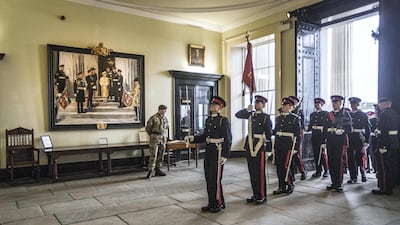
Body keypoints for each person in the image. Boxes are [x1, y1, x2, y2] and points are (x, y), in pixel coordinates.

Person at [185, 96, 232, 213]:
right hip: (209, 151)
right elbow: (205, 136)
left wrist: (225, 155)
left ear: (220, 108)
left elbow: (228, 139)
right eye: (211, 104)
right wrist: (193, 138)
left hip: (218, 151)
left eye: (215, 105)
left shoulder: (223, 120)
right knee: (208, 178)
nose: (212, 106)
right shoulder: (209, 120)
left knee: (216, 179)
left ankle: (218, 203)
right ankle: (211, 202)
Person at [235, 95, 272, 205]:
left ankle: (261, 195)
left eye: (259, 103)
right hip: (249, 145)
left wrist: (269, 150)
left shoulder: (266, 117)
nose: (256, 105)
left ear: (263, 105)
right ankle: (255, 193)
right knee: (252, 172)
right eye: (255, 103)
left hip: (259, 147)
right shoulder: (251, 115)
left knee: (259, 173)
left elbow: (269, 134)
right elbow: (238, 115)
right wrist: (247, 109)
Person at [324, 95, 352, 192]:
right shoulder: (328, 115)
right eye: (333, 102)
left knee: (339, 161)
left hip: (340, 141)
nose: (334, 104)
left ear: (340, 103)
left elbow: (349, 128)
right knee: (331, 161)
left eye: (336, 102)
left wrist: (342, 131)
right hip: (330, 140)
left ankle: (339, 183)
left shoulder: (345, 114)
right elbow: (325, 128)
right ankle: (333, 182)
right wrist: (324, 140)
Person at [273, 97, 301, 195]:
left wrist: (296, 148)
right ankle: (281, 186)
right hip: (278, 143)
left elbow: (298, 135)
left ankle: (290, 184)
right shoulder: (278, 118)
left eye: (287, 105)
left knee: (285, 166)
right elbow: (275, 131)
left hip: (288, 145)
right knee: (278, 166)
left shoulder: (294, 118)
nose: (284, 107)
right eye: (284, 105)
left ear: (291, 107)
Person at [372, 97, 399, 195]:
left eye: (380, 103)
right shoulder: (395, 113)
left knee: (384, 167)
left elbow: (384, 132)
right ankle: (390, 185)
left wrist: (382, 146)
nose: (379, 105)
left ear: (385, 104)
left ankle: (385, 188)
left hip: (385, 144)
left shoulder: (384, 114)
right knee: (391, 166)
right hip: (394, 143)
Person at [347, 97, 371, 184]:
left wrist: (367, 141)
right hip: (350, 137)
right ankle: (353, 176)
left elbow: (368, 128)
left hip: (359, 137)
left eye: (354, 103)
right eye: (351, 103)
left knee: (360, 156)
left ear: (357, 104)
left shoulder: (363, 114)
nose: (352, 105)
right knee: (350, 157)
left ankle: (363, 173)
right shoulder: (347, 114)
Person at [145, 104, 169, 178]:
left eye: (165, 110)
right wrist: (153, 135)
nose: (164, 111)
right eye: (163, 109)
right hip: (155, 138)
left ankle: (158, 169)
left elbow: (166, 128)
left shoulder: (165, 118)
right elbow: (148, 128)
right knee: (153, 155)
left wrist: (165, 137)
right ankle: (150, 171)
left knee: (160, 155)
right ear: (159, 109)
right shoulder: (153, 118)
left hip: (162, 138)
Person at [308, 97, 329, 178]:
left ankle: (326, 169)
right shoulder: (312, 115)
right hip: (314, 134)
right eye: (315, 104)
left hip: (321, 134)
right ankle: (318, 170)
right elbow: (310, 125)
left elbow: (326, 126)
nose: (316, 105)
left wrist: (325, 137)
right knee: (316, 153)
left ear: (322, 104)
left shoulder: (325, 114)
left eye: (318, 103)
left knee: (322, 153)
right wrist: (308, 128)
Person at [288, 96, 307, 180]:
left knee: (297, 155)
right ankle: (292, 174)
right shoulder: (288, 112)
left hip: (296, 136)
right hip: (288, 137)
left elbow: (302, 125)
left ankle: (303, 171)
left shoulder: (299, 112)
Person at [366, 108, 378, 173]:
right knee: (372, 153)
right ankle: (375, 168)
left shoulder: (381, 119)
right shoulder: (371, 120)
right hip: (372, 137)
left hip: (379, 137)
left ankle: (377, 169)